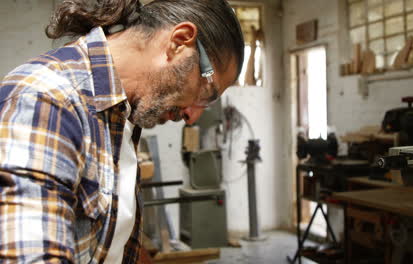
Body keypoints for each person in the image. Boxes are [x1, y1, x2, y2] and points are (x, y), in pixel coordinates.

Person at [0, 0, 244, 263]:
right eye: (206, 92)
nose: (191, 117)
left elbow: (109, 243)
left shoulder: (122, 115)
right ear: (179, 41)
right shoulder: (46, 100)